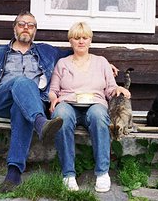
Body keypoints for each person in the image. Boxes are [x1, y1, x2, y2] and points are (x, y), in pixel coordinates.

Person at [0, 11, 69, 193]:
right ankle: (41, 124)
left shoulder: (47, 51)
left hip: (31, 103)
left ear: (35, 30)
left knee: (21, 108)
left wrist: (101, 63)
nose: (26, 27)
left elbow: (78, 52)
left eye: (30, 25)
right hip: (0, 101)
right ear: (14, 28)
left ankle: (13, 173)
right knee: (22, 81)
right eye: (21, 24)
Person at [49, 22, 131, 193]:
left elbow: (110, 88)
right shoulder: (62, 63)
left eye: (84, 38)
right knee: (60, 116)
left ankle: (102, 173)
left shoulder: (101, 62)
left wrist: (118, 88)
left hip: (95, 103)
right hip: (68, 104)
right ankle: (68, 175)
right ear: (70, 41)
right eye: (77, 38)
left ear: (90, 40)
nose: (81, 41)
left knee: (99, 116)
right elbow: (53, 90)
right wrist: (53, 100)